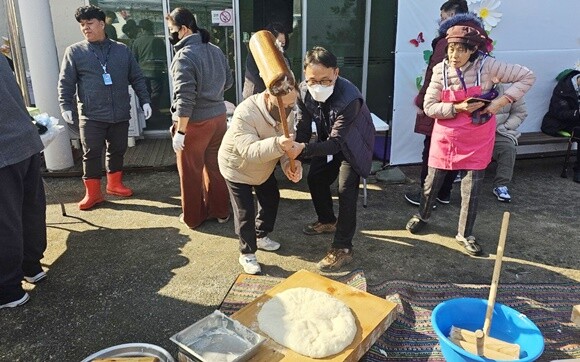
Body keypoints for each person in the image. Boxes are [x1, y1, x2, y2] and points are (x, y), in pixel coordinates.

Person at [405, 25, 535, 256]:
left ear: (474, 49)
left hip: (477, 136)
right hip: (446, 136)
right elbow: (429, 106)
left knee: (471, 189)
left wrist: (500, 103)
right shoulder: (439, 71)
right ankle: (423, 215)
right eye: (451, 49)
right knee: (431, 183)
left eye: (461, 50)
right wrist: (457, 107)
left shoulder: (489, 66)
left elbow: (527, 76)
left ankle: (465, 234)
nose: (454, 55)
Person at [288, 47, 375, 271]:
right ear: (305, 76)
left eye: (325, 80)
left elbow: (338, 143)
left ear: (336, 72)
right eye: (312, 80)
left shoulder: (350, 98)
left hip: (352, 143)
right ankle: (327, 220)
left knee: (346, 191)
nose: (318, 86)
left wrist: (302, 149)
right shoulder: (303, 91)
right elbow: (303, 127)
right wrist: (295, 155)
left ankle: (343, 248)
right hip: (330, 139)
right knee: (315, 178)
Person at [58, 5, 152, 211]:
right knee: (91, 153)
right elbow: (66, 82)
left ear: (102, 24)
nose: (85, 28)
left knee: (118, 149)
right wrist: (65, 104)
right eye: (82, 25)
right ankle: (92, 193)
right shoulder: (75, 52)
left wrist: (145, 100)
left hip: (119, 112)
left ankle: (114, 184)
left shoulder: (121, 50)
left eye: (89, 23)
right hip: (91, 115)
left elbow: (136, 76)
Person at [405, 0, 493, 207]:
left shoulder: (450, 40)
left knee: (435, 149)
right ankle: (444, 193)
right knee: (457, 148)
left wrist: (422, 100)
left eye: (443, 18)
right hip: (470, 105)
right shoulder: (479, 39)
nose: (441, 22)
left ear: (452, 15)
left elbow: (435, 72)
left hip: (446, 103)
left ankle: (428, 197)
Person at [218, 85, 302, 274]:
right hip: (237, 167)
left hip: (264, 166)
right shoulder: (245, 112)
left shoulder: (288, 111)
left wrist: (289, 164)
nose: (288, 109)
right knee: (244, 211)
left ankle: (260, 234)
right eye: (284, 105)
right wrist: (278, 144)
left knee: (271, 198)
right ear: (267, 96)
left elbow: (288, 143)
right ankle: (247, 253)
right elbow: (249, 151)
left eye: (292, 104)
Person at [166, 7, 233, 229]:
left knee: (190, 172)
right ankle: (221, 212)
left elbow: (185, 99)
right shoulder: (215, 50)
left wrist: (181, 132)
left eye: (172, 30)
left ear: (184, 29)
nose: (170, 35)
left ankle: (193, 217)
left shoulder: (184, 56)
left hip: (194, 123)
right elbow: (229, 82)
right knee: (216, 168)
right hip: (218, 118)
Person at [0, 55, 47, 309]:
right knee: (30, 208)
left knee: (5, 221)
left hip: (4, 151)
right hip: (25, 142)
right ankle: (32, 266)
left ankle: (8, 289)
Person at [541, 69, 580, 183]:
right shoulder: (564, 88)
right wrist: (577, 112)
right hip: (559, 124)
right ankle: (578, 171)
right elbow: (558, 113)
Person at [491, 83, 527, 202]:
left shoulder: (511, 90)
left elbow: (520, 112)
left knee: (508, 148)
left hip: (499, 131)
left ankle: (501, 185)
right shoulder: (473, 84)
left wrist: (505, 127)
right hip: (474, 132)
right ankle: (458, 174)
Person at [242, 22, 290, 100]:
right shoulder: (257, 53)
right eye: (278, 43)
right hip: (257, 96)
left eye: (283, 43)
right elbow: (255, 77)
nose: (280, 46)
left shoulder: (283, 54)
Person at [131, 19, 167, 117]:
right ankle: (155, 111)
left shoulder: (137, 42)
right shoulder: (159, 40)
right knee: (156, 92)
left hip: (142, 71)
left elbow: (134, 58)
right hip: (157, 70)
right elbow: (165, 55)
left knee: (145, 93)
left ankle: (147, 113)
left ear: (141, 29)